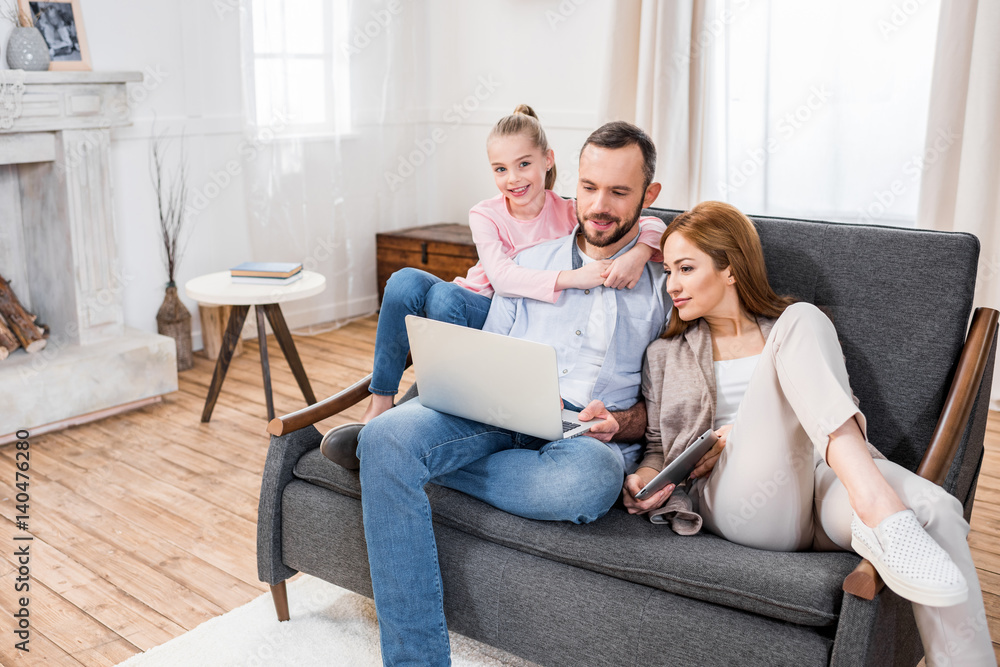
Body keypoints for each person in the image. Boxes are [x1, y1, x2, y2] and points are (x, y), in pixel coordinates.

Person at [350, 121, 667, 667]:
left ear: (648, 196)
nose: (599, 205)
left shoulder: (668, 285)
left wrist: (623, 421)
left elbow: (664, 407)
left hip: (584, 436)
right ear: (574, 185)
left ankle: (410, 463)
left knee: (592, 482)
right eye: (589, 187)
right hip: (498, 409)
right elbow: (489, 347)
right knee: (387, 441)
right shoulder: (531, 264)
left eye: (619, 192)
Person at [629, 201, 995, 666]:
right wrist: (647, 474)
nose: (672, 284)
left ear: (731, 269)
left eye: (685, 267)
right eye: (667, 270)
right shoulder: (666, 353)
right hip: (750, 501)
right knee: (801, 318)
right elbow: (659, 448)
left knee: (938, 509)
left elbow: (837, 412)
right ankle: (879, 506)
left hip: (827, 482)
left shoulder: (793, 330)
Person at [322, 106, 668, 467]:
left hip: (500, 314)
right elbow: (503, 279)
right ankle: (384, 405)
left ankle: (411, 440)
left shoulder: (570, 211)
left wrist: (640, 253)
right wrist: (576, 277)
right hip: (481, 303)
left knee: (587, 477)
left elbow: (649, 224)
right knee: (406, 282)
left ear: (548, 161)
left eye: (523, 165)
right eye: (500, 169)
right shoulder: (486, 213)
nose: (513, 179)